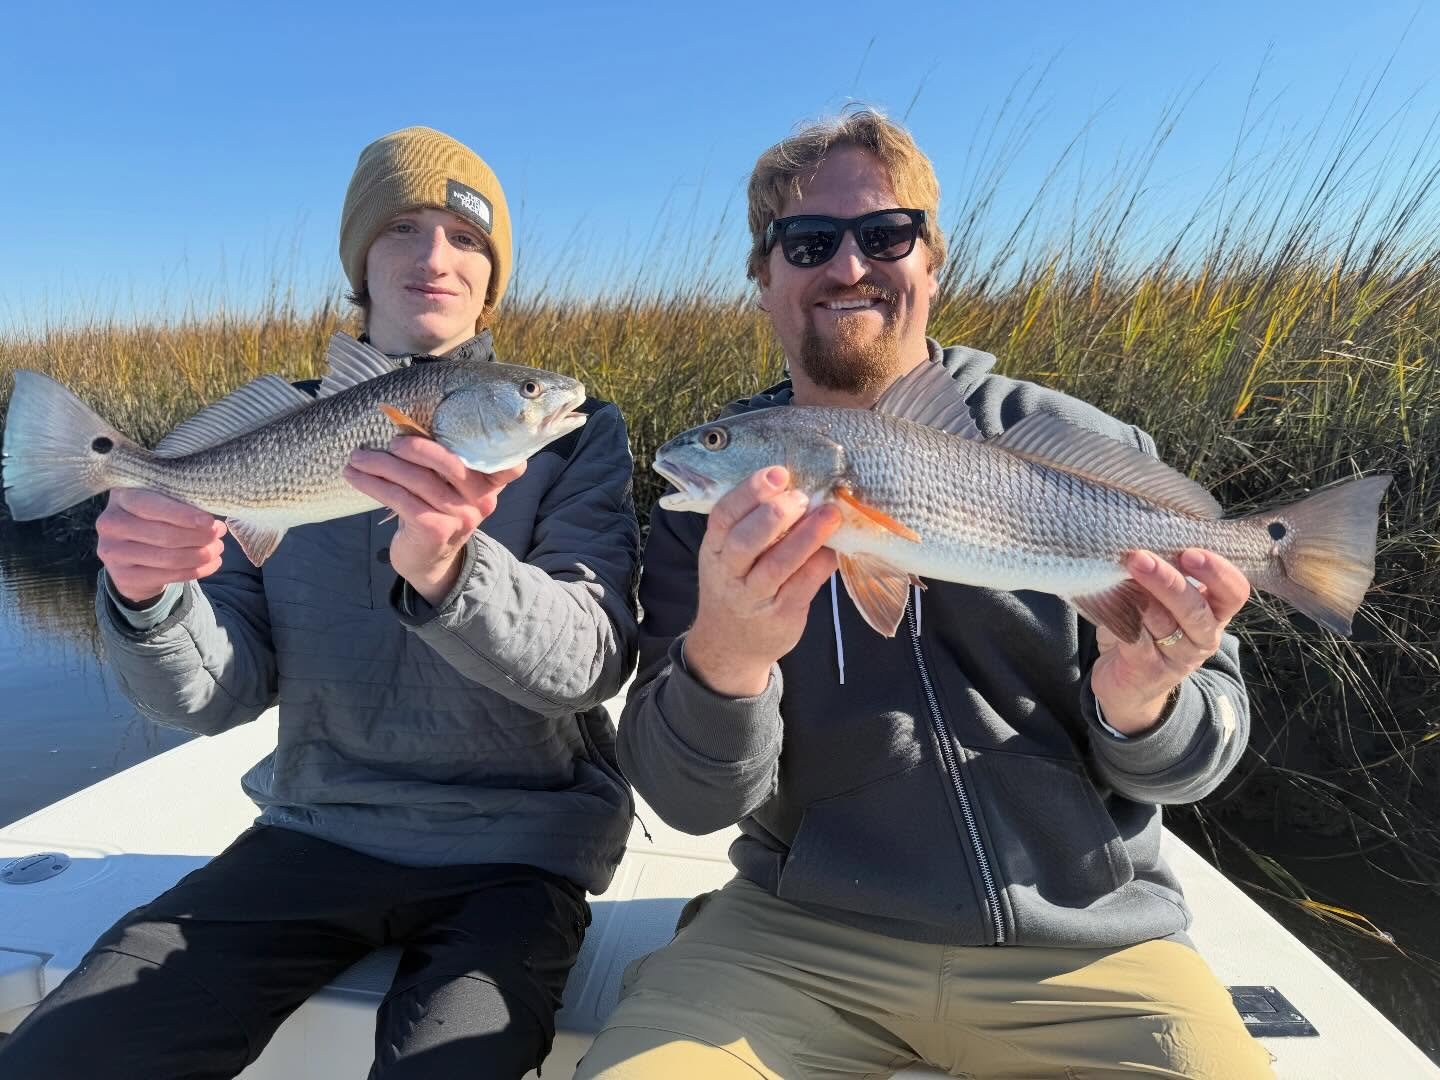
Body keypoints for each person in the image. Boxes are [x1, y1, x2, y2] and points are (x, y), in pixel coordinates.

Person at [576, 110, 1272, 1079]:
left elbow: (1199, 758)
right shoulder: (708, 511)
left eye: (886, 235)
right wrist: (726, 663)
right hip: (797, 941)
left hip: (1087, 944)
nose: (849, 266)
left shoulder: (1084, 445)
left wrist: (1141, 705)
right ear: (765, 277)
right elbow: (688, 805)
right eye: (809, 243)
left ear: (933, 262)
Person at [0, 126, 641, 1080]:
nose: (435, 257)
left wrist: (452, 572)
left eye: (469, 240)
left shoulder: (570, 436)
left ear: (493, 275)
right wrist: (147, 599)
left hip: (518, 851)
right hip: (311, 831)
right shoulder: (277, 427)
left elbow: (594, 663)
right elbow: (214, 696)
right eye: (404, 229)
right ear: (359, 261)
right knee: (64, 1054)